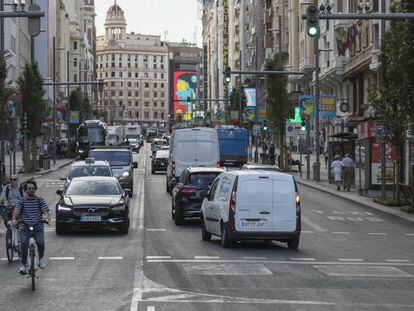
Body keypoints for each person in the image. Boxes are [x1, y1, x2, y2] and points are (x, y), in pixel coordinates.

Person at [12, 180, 50, 275]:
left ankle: (40, 259)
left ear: (35, 189)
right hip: (24, 226)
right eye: (29, 188)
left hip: (37, 226)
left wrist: (46, 216)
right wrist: (14, 219)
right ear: (26, 190)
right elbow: (16, 211)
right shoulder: (21, 201)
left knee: (41, 243)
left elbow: (45, 210)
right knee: (24, 244)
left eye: (33, 188)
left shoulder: (39, 199)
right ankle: (23, 264)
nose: (31, 190)